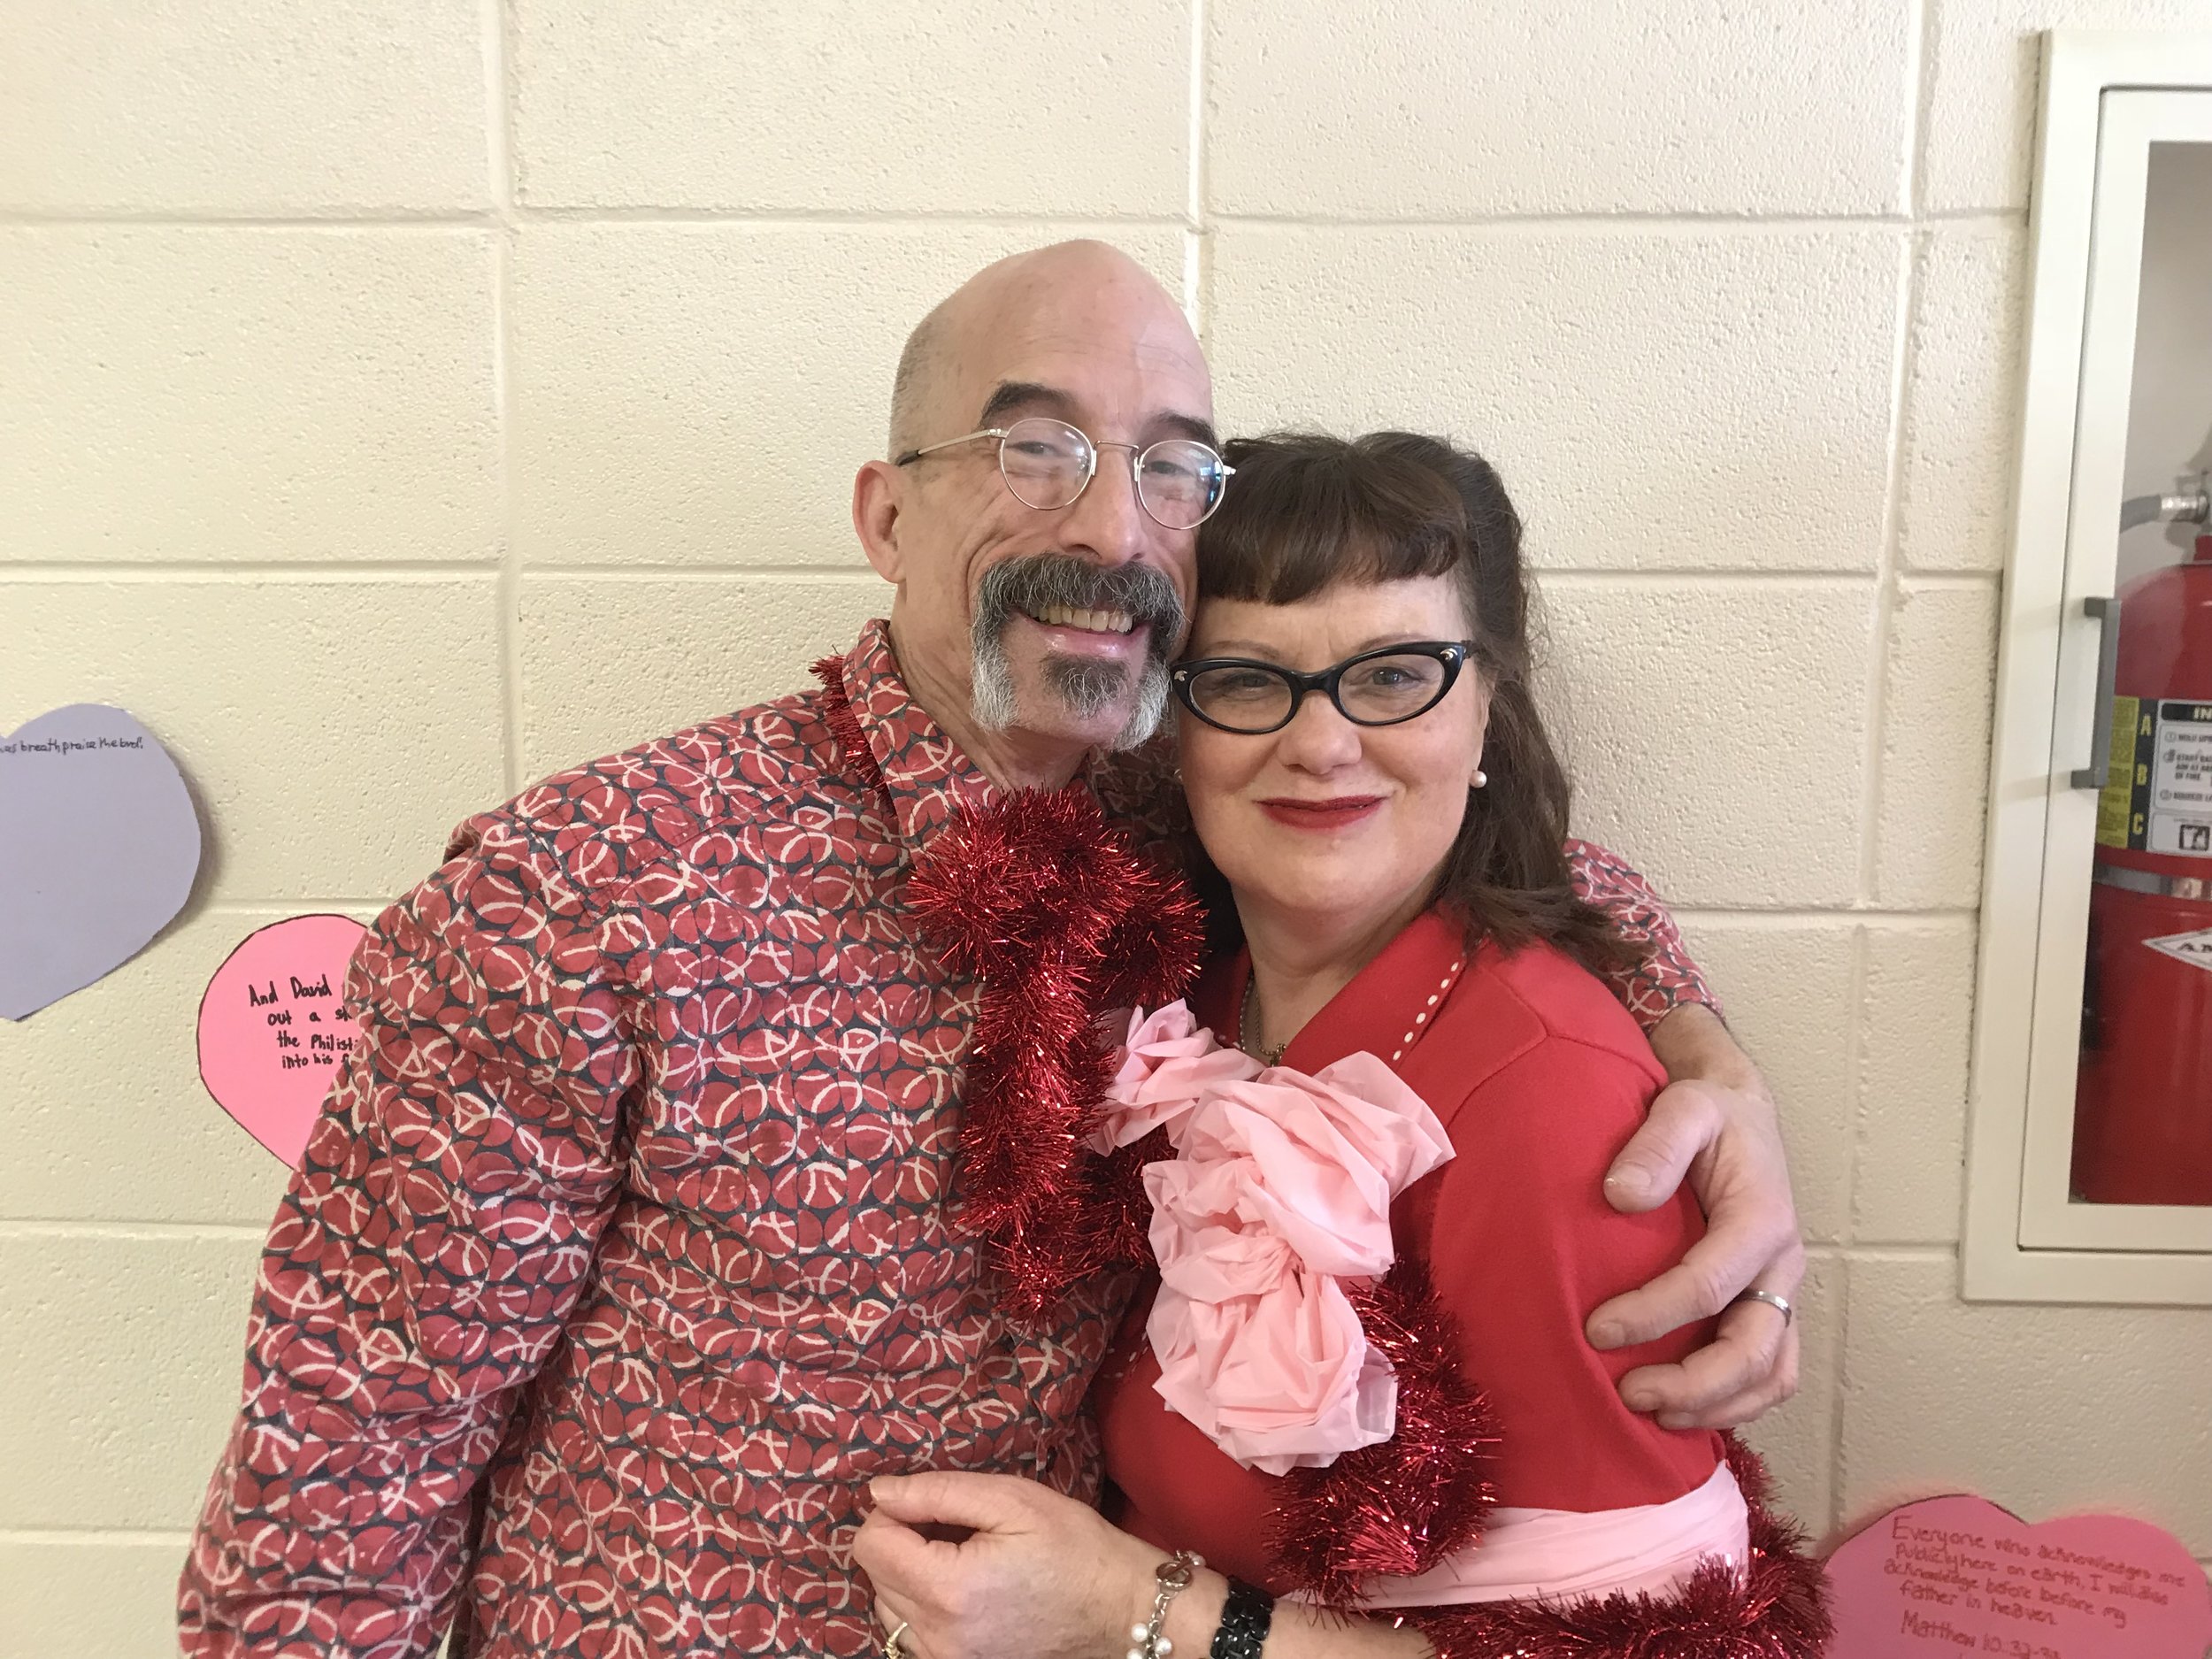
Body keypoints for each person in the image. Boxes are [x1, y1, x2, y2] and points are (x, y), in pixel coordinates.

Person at [179, 242, 1801, 1659]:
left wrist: (1697, 1054)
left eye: (1176, 470)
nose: (1111, 524)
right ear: (890, 514)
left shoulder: (1215, 804)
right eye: (1037, 447)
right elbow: (347, 1455)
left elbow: (1489, 841)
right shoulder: (596, 883)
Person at [853, 433, 1825, 1658]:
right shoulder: (1196, 988)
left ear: (1488, 710)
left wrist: (1130, 1614)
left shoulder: (1560, 1111)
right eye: (1250, 679)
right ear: (1175, 726)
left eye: (1395, 674)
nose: (1319, 743)